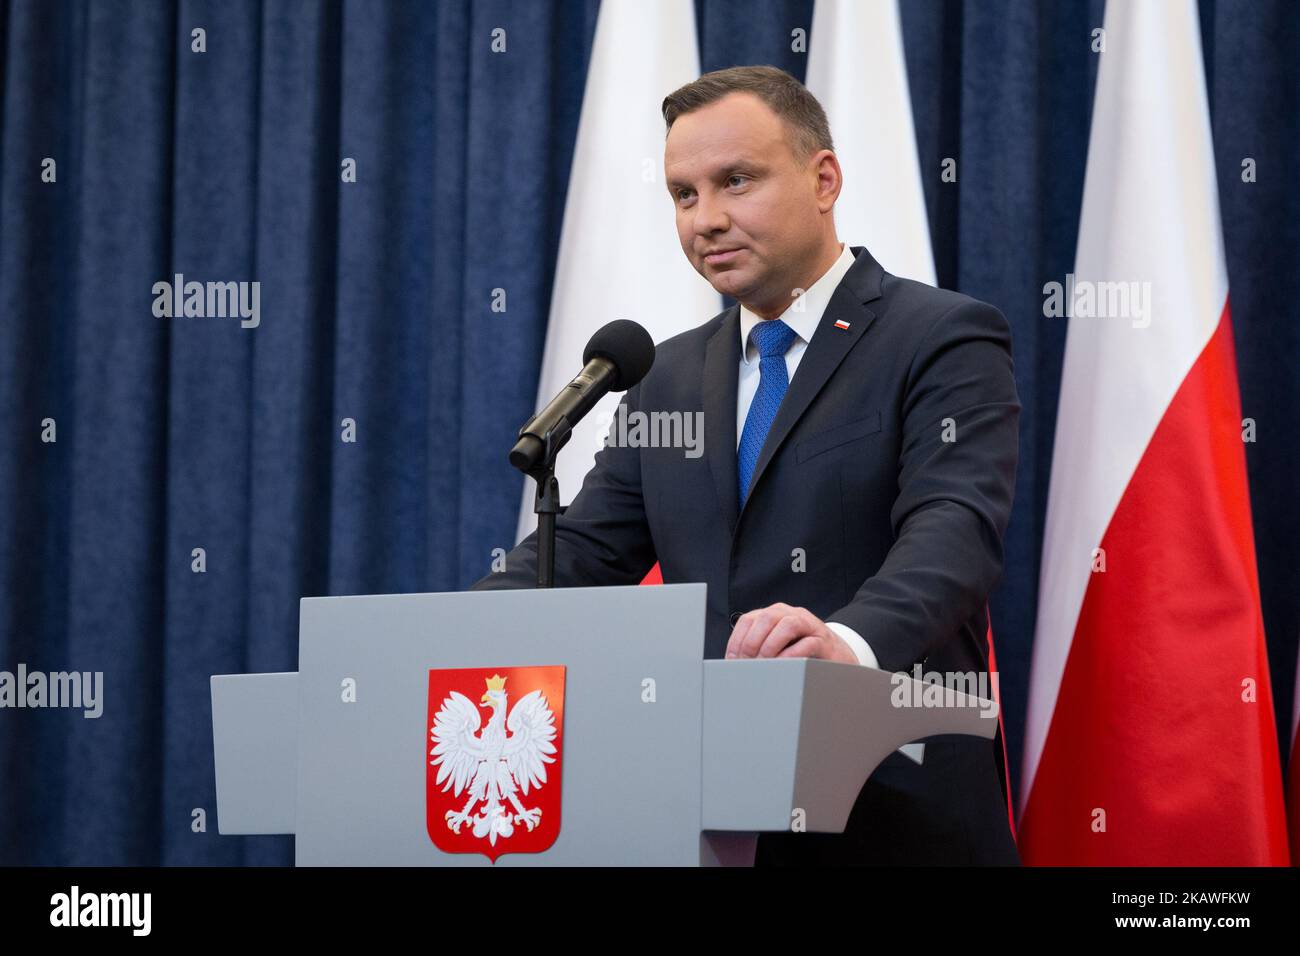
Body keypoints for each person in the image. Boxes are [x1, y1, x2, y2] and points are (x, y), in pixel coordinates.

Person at [472, 65, 1020, 865]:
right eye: (684, 195)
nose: (707, 220)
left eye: (736, 181)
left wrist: (844, 644)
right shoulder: (662, 376)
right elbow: (582, 555)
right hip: (706, 814)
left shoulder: (939, 337)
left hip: (893, 811)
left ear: (823, 178)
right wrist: (441, 639)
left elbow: (952, 535)